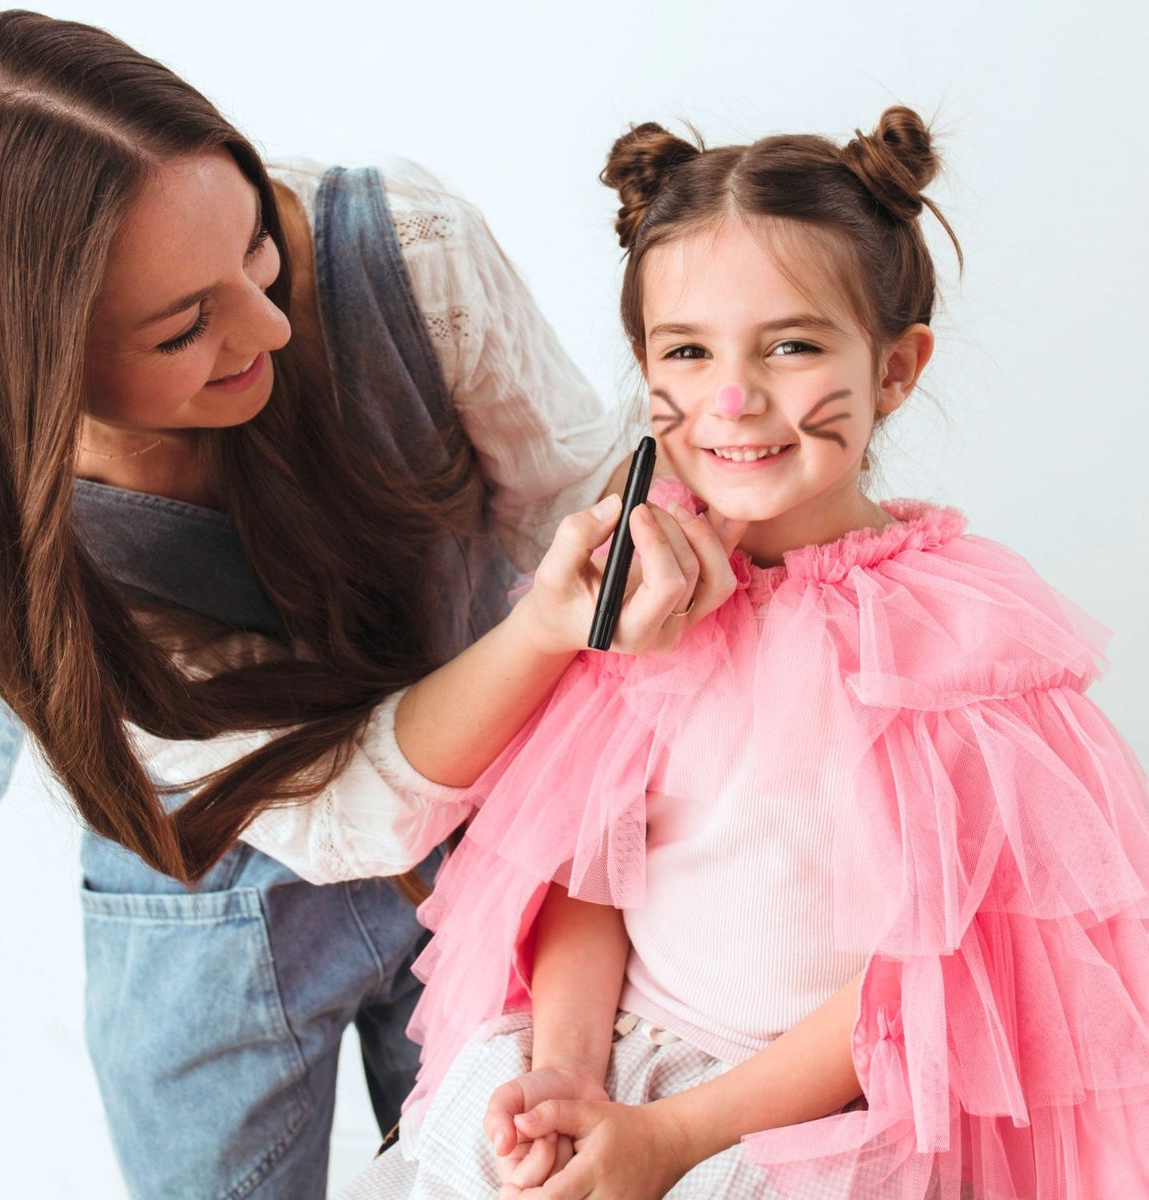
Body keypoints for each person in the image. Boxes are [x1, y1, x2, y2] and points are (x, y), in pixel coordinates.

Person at [0, 11, 745, 1198]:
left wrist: (658, 551)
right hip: (206, 892)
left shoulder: (401, 246)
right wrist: (541, 627)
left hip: (495, 837)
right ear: (31, 364)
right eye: (184, 326)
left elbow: (572, 489)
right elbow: (344, 814)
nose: (269, 325)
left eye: (257, 244)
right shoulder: (7, 530)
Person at [347, 107, 1149, 1199]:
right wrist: (574, 1075)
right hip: (630, 1054)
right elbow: (586, 877)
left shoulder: (951, 652)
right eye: (689, 351)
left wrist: (675, 1138)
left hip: (813, 1111)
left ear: (897, 367)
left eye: (793, 345)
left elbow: (923, 984)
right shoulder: (645, 598)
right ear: (646, 369)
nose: (733, 399)